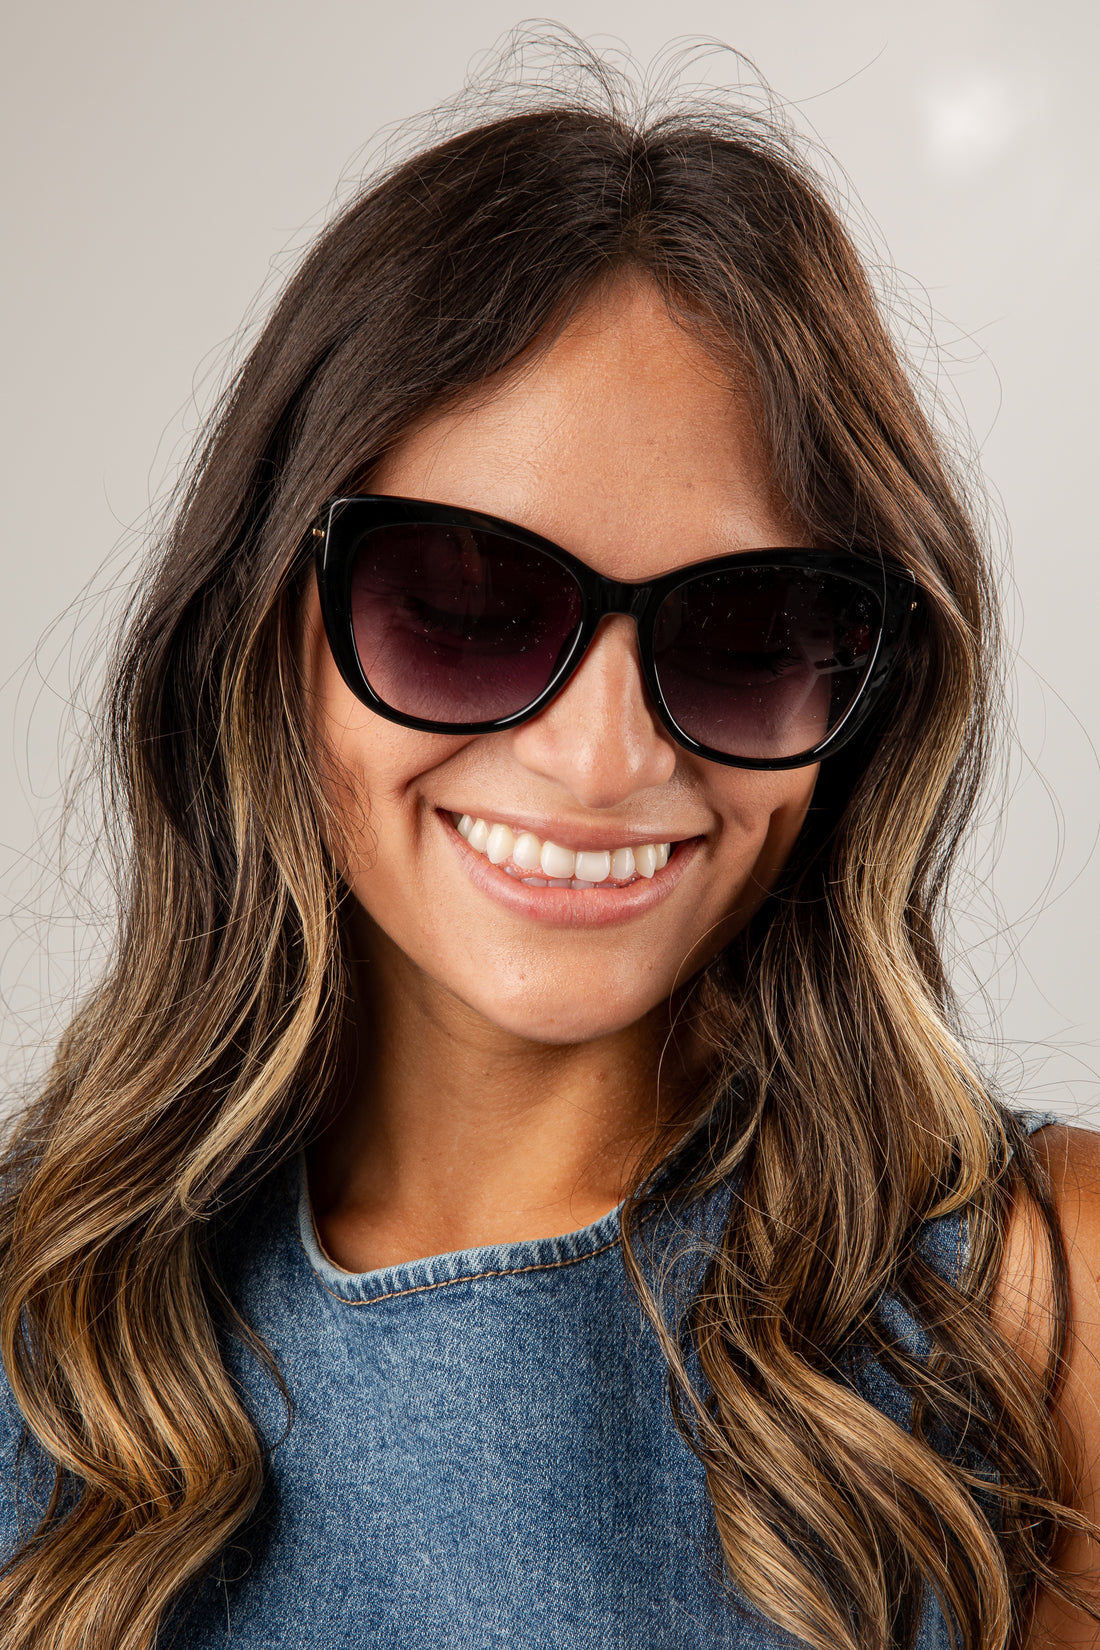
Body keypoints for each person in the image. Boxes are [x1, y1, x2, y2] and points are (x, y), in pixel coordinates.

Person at [0, 65, 1098, 1650]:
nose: (607, 759)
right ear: (271, 629)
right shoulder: (50, 1336)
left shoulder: (1039, 1308)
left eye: (746, 631)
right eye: (464, 601)